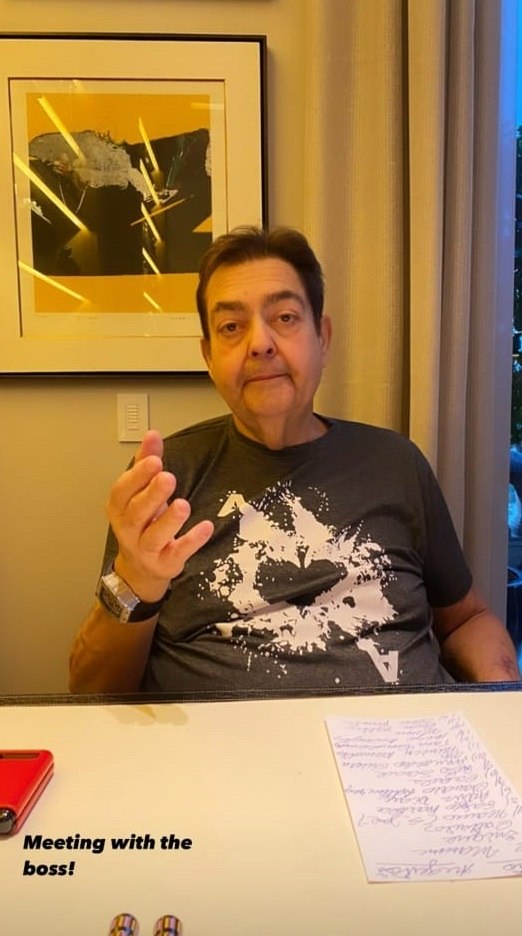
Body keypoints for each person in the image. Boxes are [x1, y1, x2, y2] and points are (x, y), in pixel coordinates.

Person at [69, 226, 521, 694]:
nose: (260, 343)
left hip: (404, 735)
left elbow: (467, 619)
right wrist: (136, 582)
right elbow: (92, 690)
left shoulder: (398, 464)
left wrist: (503, 696)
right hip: (226, 741)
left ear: (322, 338)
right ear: (209, 356)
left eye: (284, 317)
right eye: (231, 327)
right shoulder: (164, 482)